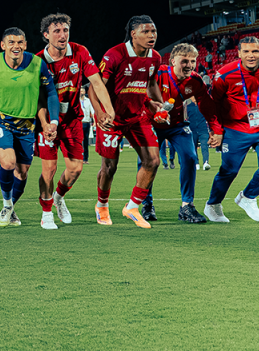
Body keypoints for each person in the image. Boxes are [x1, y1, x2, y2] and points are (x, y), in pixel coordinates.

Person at [34, 14, 115, 229]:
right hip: (47, 122)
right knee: (49, 169)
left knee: (75, 169)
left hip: (72, 120)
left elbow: (97, 82)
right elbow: (38, 99)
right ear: (46, 35)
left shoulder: (80, 51)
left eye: (65, 30)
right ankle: (46, 212)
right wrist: (45, 124)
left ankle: (58, 197)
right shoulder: (38, 61)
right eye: (57, 31)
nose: (63, 35)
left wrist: (109, 111)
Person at [0, 27, 60, 229]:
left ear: (25, 44)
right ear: (3, 45)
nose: (16, 46)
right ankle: (7, 205)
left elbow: (51, 93)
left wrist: (53, 122)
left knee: (22, 173)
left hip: (26, 125)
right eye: (11, 42)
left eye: (20, 42)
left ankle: (10, 208)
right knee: (8, 163)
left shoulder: (37, 64)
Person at [94, 16, 164, 228]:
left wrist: (158, 105)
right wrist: (100, 113)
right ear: (133, 34)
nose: (152, 35)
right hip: (112, 118)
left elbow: (151, 83)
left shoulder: (155, 57)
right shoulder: (115, 54)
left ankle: (132, 207)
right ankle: (102, 205)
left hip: (137, 116)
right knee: (109, 167)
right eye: (146, 32)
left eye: (154, 31)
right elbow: (95, 87)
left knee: (153, 160)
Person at [143, 43, 220, 223]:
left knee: (190, 157)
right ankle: (146, 204)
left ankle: (187, 206)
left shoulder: (195, 80)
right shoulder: (158, 74)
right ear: (172, 61)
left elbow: (207, 106)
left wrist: (215, 129)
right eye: (184, 61)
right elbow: (139, 93)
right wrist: (152, 109)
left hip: (177, 125)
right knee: (146, 163)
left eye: (193, 61)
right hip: (151, 124)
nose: (189, 65)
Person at [203, 36, 259, 223]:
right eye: (246, 51)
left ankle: (248, 197)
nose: (251, 55)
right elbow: (213, 104)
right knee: (229, 171)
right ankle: (213, 205)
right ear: (239, 53)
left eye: (255, 51)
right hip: (234, 128)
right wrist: (216, 130)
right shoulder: (224, 74)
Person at [186, 99, 211, 171]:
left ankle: (205, 162)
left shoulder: (203, 105)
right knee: (193, 147)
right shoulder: (188, 106)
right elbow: (186, 117)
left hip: (203, 128)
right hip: (192, 129)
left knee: (204, 146)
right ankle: (196, 163)